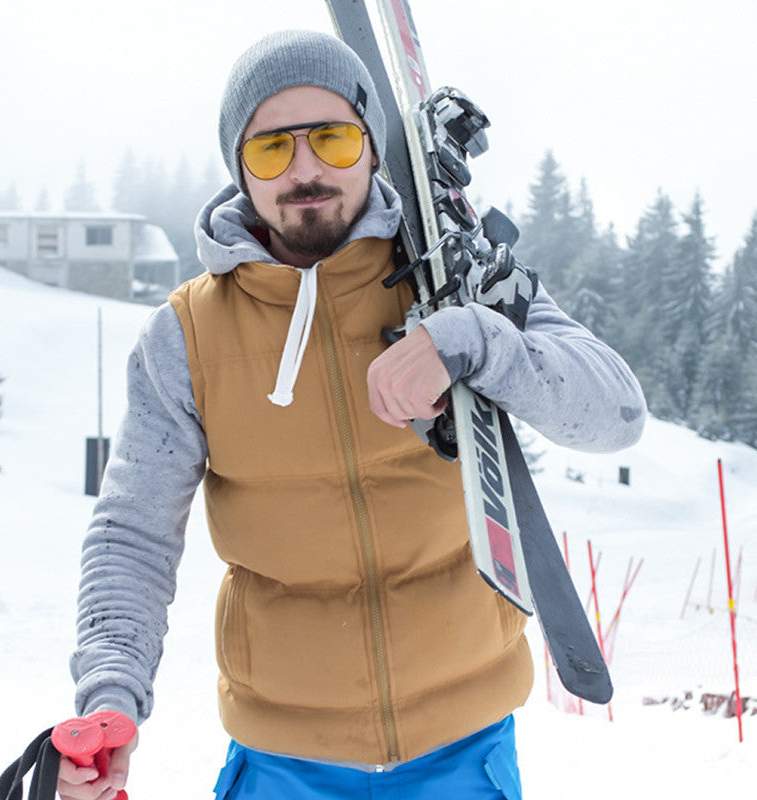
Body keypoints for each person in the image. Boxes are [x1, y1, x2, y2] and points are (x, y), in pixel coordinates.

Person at [57, 29, 646, 800]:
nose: (305, 170)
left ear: (371, 145)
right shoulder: (186, 335)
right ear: (239, 167)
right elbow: (133, 531)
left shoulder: (456, 279)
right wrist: (110, 694)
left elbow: (616, 411)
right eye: (272, 149)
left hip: (462, 751)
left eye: (331, 138)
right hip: (282, 760)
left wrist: (474, 342)